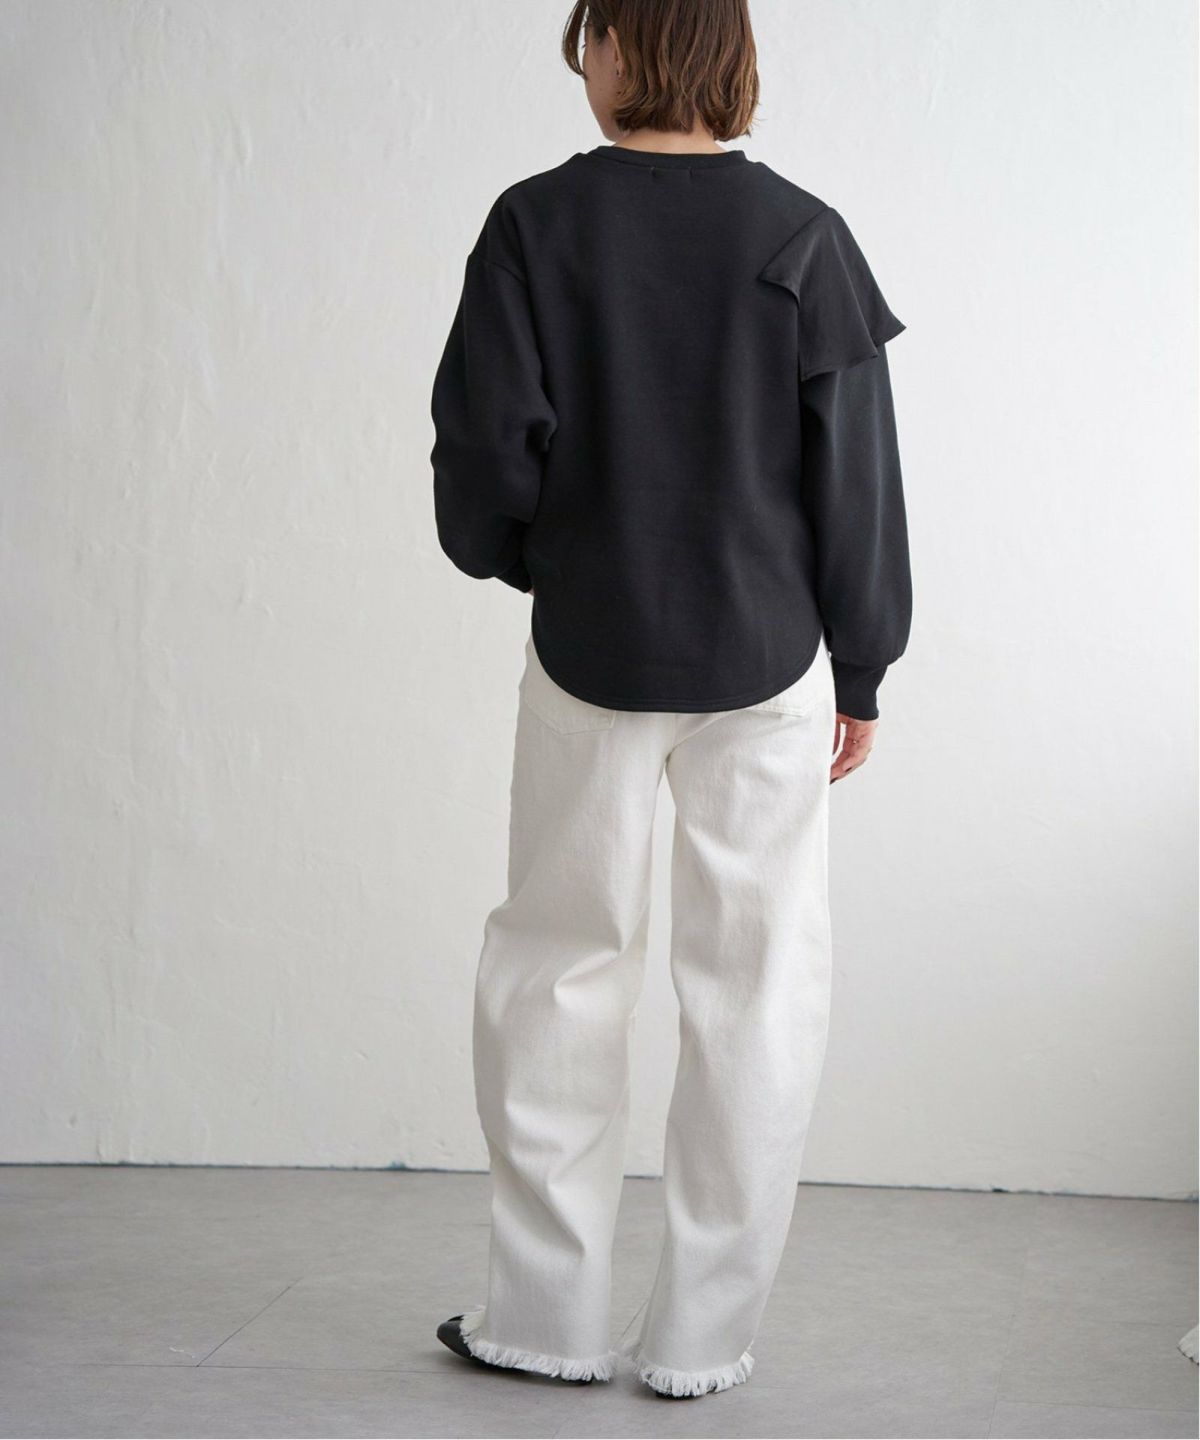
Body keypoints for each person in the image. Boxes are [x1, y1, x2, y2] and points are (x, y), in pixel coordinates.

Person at [427, 0, 912, 1401]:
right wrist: (864, 664)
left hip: (592, 652)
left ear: (629, 47)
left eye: (588, 33)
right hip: (770, 666)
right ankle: (701, 1340)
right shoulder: (804, 236)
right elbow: (858, 476)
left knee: (558, 968)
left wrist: (535, 557)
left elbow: (483, 450)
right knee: (757, 992)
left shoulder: (535, 225)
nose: (579, 60)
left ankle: (545, 1320)